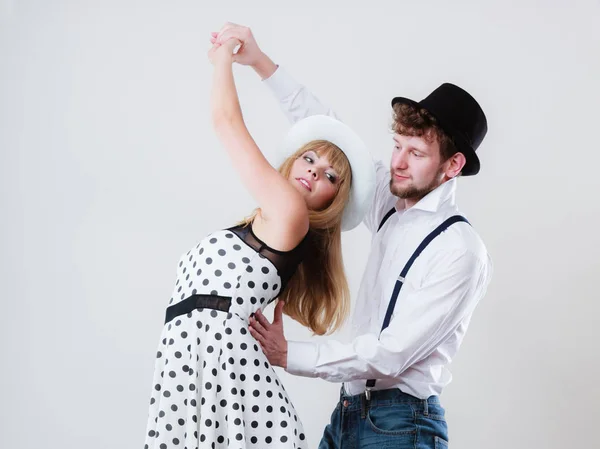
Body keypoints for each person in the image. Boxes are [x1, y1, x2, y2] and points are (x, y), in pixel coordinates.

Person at [211, 23, 494, 449]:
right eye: (397, 144)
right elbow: (329, 131)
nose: (397, 162)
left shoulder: (460, 250)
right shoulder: (390, 201)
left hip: (402, 424)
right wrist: (260, 63)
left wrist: (293, 355)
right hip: (348, 414)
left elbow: (393, 353)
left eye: (415, 153)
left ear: (452, 166)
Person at [142, 36, 375, 449]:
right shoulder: (265, 221)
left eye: (331, 177)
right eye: (310, 159)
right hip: (190, 367)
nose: (315, 174)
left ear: (333, 200)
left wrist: (221, 62)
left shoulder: (290, 213)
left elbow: (226, 123)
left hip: (222, 375)